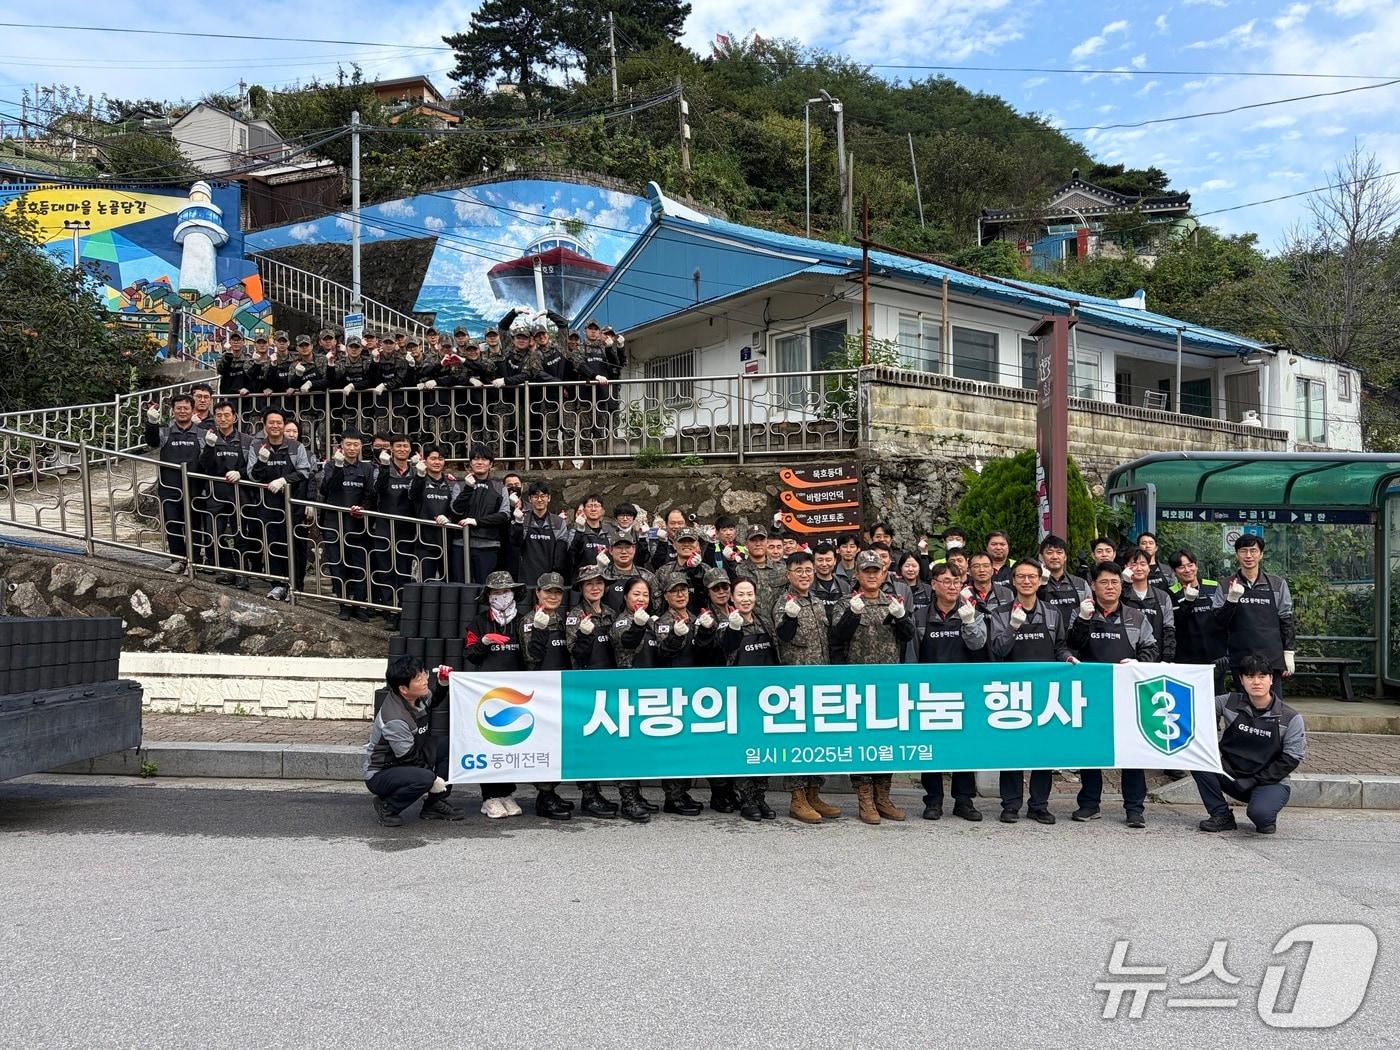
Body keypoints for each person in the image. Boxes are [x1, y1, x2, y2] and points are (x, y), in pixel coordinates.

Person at [1068, 562, 1159, 828]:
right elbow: (1071, 646)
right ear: (1093, 586)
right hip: (1090, 693)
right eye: (1104, 582)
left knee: (1131, 751)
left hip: (1127, 692)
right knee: (1091, 750)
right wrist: (1084, 621)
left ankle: (1134, 808)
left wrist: (1137, 662)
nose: (1110, 587)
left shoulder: (1135, 616)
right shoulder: (1080, 613)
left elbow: (1152, 649)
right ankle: (1089, 804)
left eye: (1115, 582)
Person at [832, 550, 916, 825]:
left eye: (875, 570)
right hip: (856, 684)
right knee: (861, 742)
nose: (871, 575)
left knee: (886, 740)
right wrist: (852, 615)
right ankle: (865, 798)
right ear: (856, 574)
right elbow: (837, 638)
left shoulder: (893, 601)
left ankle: (883, 795)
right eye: (865, 570)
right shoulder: (846, 602)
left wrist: (902, 617)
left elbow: (908, 636)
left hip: (887, 683)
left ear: (884, 574)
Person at [988, 558, 1073, 825]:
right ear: (1013, 581)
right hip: (1011, 690)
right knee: (1011, 749)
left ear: (1039, 580)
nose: (1026, 581)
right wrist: (1013, 627)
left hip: (1045, 691)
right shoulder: (999, 613)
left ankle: (1039, 805)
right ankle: (1010, 805)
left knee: (1043, 749)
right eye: (1021, 577)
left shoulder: (1052, 613)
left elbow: (1059, 647)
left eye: (1031, 577)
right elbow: (997, 651)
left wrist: (1068, 657)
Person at [1193, 654, 1307, 835]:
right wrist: (1212, 681)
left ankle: (1264, 810)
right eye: (1250, 676)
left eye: (1262, 676)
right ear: (1241, 680)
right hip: (1232, 775)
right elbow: (1194, 707)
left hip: (1269, 782)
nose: (1256, 682)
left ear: (1271, 679)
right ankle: (1221, 815)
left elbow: (1291, 759)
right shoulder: (1229, 702)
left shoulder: (1290, 717)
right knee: (1196, 758)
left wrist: (1254, 780)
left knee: (1261, 819)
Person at [917, 563, 989, 821]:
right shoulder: (920, 616)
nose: (951, 586)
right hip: (930, 691)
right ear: (934, 584)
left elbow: (979, 644)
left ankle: (964, 800)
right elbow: (913, 654)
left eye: (956, 581)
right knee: (931, 748)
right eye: (945, 581)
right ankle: (933, 800)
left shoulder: (972, 612)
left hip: (964, 691)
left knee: (964, 746)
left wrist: (969, 621)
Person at [703, 576, 777, 821]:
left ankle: (760, 797)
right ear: (732, 598)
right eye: (741, 595)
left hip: (766, 696)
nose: (746, 599)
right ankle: (746, 799)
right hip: (739, 697)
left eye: (750, 594)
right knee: (746, 748)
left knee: (764, 748)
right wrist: (734, 628)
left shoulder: (764, 621)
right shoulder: (727, 623)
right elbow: (724, 643)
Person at [364, 657, 462, 826]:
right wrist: (433, 779)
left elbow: (434, 700)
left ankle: (434, 804)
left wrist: (443, 683)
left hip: (409, 757)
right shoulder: (395, 718)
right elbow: (408, 758)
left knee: (450, 747)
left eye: (424, 673)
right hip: (382, 772)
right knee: (424, 778)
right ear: (403, 688)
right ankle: (387, 807)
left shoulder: (417, 697)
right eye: (418, 678)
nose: (425, 679)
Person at [463, 570, 527, 819]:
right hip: (488, 692)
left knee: (512, 744)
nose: (501, 596)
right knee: (490, 743)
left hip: (517, 692)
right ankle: (489, 796)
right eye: (496, 592)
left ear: (513, 594)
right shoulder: (478, 623)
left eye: (506, 591)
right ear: (488, 595)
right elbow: (470, 654)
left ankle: (507, 793)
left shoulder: (522, 621)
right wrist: (485, 642)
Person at [1212, 534, 1295, 697]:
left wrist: (1289, 652)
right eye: (1243, 551)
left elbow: (1286, 619)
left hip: (1272, 658)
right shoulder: (1225, 585)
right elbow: (1218, 623)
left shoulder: (1277, 584)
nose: (1248, 556)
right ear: (1237, 555)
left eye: (1253, 551)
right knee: (1246, 707)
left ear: (1261, 554)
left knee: (1273, 708)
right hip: (1240, 657)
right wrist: (1231, 600)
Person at [609, 577, 662, 822]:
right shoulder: (623, 621)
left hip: (649, 692)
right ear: (626, 597)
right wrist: (638, 625)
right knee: (627, 747)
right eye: (636, 594)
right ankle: (628, 799)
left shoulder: (650, 622)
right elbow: (626, 640)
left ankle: (637, 794)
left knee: (640, 746)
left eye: (645, 595)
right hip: (628, 692)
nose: (641, 599)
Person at [247, 406, 313, 601]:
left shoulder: (296, 447)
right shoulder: (257, 446)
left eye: (279, 423)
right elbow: (252, 475)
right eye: (271, 423)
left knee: (294, 546)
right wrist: (261, 461)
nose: (275, 426)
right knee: (274, 545)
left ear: (284, 425)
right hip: (268, 505)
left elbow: (304, 471)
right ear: (265, 426)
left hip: (293, 506)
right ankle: (277, 584)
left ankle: (295, 585)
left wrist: (284, 480)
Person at [524, 572, 575, 820]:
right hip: (542, 691)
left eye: (557, 592)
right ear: (538, 593)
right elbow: (532, 656)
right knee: (546, 743)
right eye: (548, 592)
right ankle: (544, 796)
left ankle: (551, 793)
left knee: (562, 743)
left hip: (565, 688)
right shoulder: (530, 620)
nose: (553, 596)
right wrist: (540, 630)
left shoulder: (567, 619)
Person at [318, 428, 376, 621]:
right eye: (348, 444)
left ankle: (359, 605)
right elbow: (326, 489)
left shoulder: (367, 468)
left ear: (361, 447)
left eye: (356, 444)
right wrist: (338, 467)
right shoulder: (330, 465)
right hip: (334, 523)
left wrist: (362, 508)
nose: (352, 448)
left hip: (357, 524)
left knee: (360, 566)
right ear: (341, 446)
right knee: (338, 565)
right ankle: (343, 604)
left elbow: (370, 494)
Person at [144, 394, 206, 573]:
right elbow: (152, 442)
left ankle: (194, 562)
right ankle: (178, 560)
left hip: (195, 487)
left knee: (194, 525)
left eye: (186, 408)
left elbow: (208, 459)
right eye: (178, 408)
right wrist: (151, 423)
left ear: (192, 410)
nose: (182, 411)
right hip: (169, 487)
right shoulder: (165, 432)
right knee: (172, 524)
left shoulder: (201, 434)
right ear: (173, 411)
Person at [194, 399, 251, 586]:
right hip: (214, 492)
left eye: (227, 415)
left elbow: (253, 468)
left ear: (234, 417)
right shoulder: (208, 437)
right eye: (219, 415)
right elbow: (203, 465)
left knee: (240, 534)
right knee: (213, 535)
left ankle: (242, 574)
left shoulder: (246, 440)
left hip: (238, 492)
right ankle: (229, 568)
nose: (223, 418)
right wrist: (209, 447)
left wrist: (240, 473)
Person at [370, 435, 418, 627]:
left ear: (410, 449)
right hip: (384, 527)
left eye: (405, 446)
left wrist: (421, 475)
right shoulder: (381, 468)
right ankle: (390, 611)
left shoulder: (416, 470)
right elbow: (377, 490)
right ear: (391, 448)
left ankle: (404, 611)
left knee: (404, 571)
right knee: (386, 571)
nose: (402, 449)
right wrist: (383, 468)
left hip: (406, 529)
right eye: (398, 446)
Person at [449, 444, 510, 584]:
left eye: (484, 459)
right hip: (461, 545)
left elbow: (504, 515)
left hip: (488, 545)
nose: (480, 462)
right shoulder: (460, 485)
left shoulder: (500, 487)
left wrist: (477, 521)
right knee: (460, 587)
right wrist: (468, 489)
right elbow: (455, 511)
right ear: (470, 463)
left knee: (485, 588)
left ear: (491, 464)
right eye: (476, 459)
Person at [1168, 549, 1225, 691]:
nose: (1187, 570)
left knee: (1215, 702)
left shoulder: (1213, 586)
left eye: (1190, 565)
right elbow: (1176, 623)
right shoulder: (1171, 593)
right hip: (1187, 661)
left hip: (1215, 658)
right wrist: (1187, 602)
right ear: (1174, 571)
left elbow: (1224, 618)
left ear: (1196, 566)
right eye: (1181, 567)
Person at [409, 445, 460, 583]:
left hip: (448, 542)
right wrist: (419, 475)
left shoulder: (451, 483)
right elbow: (412, 496)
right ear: (425, 460)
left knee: (449, 583)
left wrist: (449, 518)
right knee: (425, 583)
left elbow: (457, 508)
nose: (437, 462)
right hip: (424, 542)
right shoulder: (418, 480)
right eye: (433, 459)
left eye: (440, 459)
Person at [1120, 548, 1176, 661]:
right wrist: (1125, 584)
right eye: (1134, 564)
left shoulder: (1163, 596)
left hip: (1155, 659)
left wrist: (1167, 659)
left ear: (1149, 567)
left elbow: (1169, 629)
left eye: (1143, 564)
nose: (1139, 568)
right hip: (1125, 660)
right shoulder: (1119, 594)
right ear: (1126, 567)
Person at [1037, 534, 1090, 622]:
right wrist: (1041, 585)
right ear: (1042, 557)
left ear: (1065, 557)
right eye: (1049, 553)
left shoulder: (1081, 583)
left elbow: (1089, 611)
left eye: (1059, 552)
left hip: (1076, 632)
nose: (1055, 557)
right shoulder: (1034, 583)